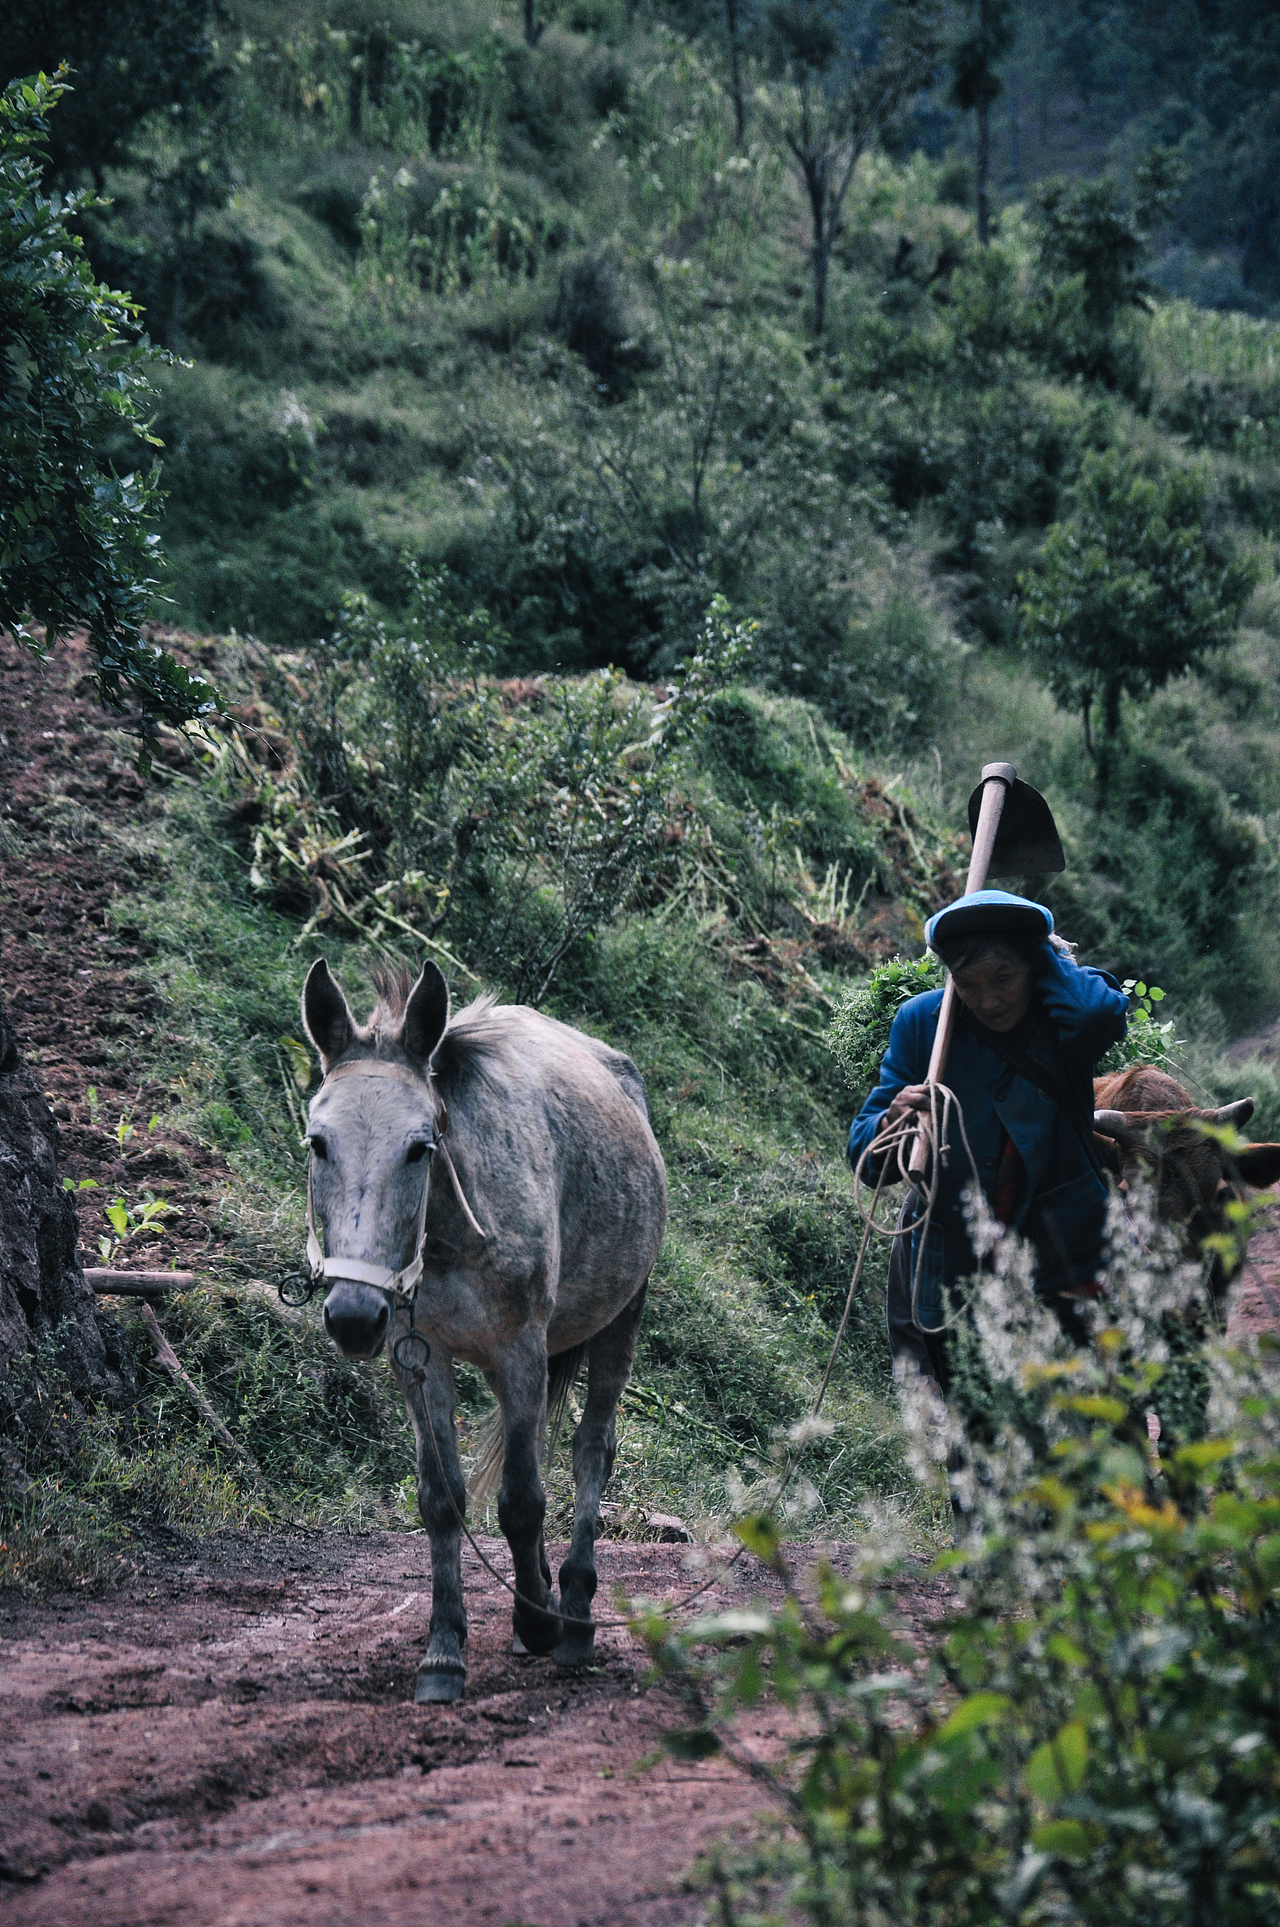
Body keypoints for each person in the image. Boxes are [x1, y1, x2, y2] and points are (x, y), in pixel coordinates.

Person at [847, 889, 1128, 1392]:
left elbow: (1097, 1014)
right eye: (968, 984)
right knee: (982, 1440)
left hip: (1067, 1257)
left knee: (1093, 1426)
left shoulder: (1061, 1019)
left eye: (1004, 978)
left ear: (1034, 967)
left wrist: (1039, 948)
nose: (989, 1000)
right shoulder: (922, 1025)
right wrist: (895, 1121)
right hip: (957, 1267)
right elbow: (866, 1158)